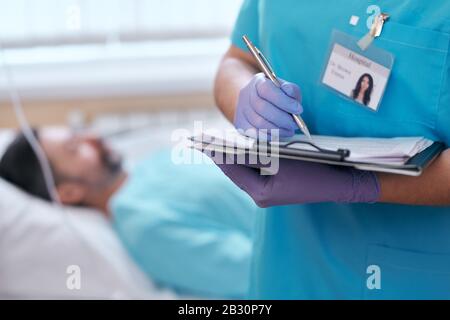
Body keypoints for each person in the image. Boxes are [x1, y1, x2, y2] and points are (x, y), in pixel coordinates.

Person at [213, 0, 450, 299]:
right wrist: (246, 100)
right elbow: (237, 59)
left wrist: (361, 184)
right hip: (286, 266)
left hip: (410, 279)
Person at [0, 127, 258, 298]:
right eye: (76, 148)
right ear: (69, 193)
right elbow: (256, 274)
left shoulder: (153, 163)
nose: (94, 137)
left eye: (80, 134)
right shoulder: (145, 228)